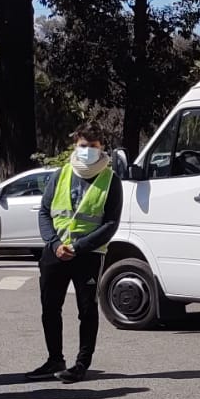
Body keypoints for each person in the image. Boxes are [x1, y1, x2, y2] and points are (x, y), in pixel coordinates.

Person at [30, 124, 124, 383]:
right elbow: (44, 212)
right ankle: (54, 359)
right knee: (50, 307)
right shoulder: (60, 174)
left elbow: (110, 224)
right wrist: (54, 243)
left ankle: (82, 364)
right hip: (55, 252)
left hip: (88, 254)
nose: (88, 151)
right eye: (83, 146)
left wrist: (78, 246)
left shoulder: (110, 180)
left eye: (93, 146)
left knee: (87, 310)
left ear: (101, 148)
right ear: (75, 146)